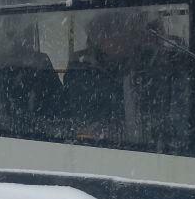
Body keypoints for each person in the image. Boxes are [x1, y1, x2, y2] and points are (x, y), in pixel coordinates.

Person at [62, 10, 147, 142]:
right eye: (116, 32)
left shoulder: (141, 63)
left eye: (128, 32)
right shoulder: (81, 67)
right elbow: (82, 117)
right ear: (100, 38)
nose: (125, 38)